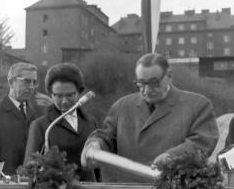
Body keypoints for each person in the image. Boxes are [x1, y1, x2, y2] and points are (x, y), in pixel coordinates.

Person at [81, 52, 219, 182]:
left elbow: (202, 143)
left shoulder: (197, 105)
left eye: (154, 83)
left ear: (169, 76)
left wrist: (172, 158)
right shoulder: (122, 106)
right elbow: (106, 137)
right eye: (141, 83)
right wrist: (95, 144)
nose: (147, 90)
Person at [24, 62, 98, 181]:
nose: (64, 101)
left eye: (70, 95)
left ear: (79, 92)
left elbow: (98, 168)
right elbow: (30, 170)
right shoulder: (41, 126)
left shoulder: (91, 122)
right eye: (58, 96)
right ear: (50, 94)